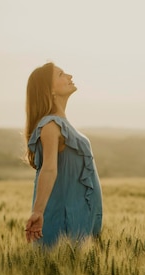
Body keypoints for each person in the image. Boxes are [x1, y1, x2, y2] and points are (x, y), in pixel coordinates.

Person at [24, 62, 103, 246]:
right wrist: (38, 212)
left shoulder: (62, 124)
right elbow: (49, 169)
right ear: (49, 89)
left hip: (80, 215)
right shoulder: (51, 126)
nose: (69, 76)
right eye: (61, 74)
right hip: (65, 219)